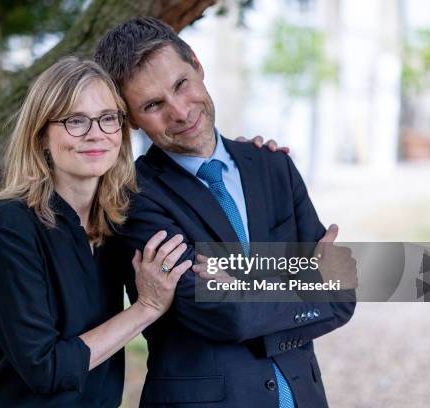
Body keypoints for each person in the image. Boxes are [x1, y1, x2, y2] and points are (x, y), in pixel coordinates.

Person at [94, 17, 357, 408]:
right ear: (130, 118)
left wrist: (239, 281)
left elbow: (342, 295)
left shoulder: (274, 167)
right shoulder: (133, 199)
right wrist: (305, 275)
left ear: (198, 66)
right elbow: (226, 315)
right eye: (153, 105)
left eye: (181, 84)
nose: (181, 112)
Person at [0, 57, 193, 407]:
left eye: (107, 118)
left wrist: (246, 160)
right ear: (41, 137)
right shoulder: (12, 224)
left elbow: (207, 250)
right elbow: (46, 368)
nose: (96, 133)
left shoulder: (117, 218)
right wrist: (146, 306)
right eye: (76, 121)